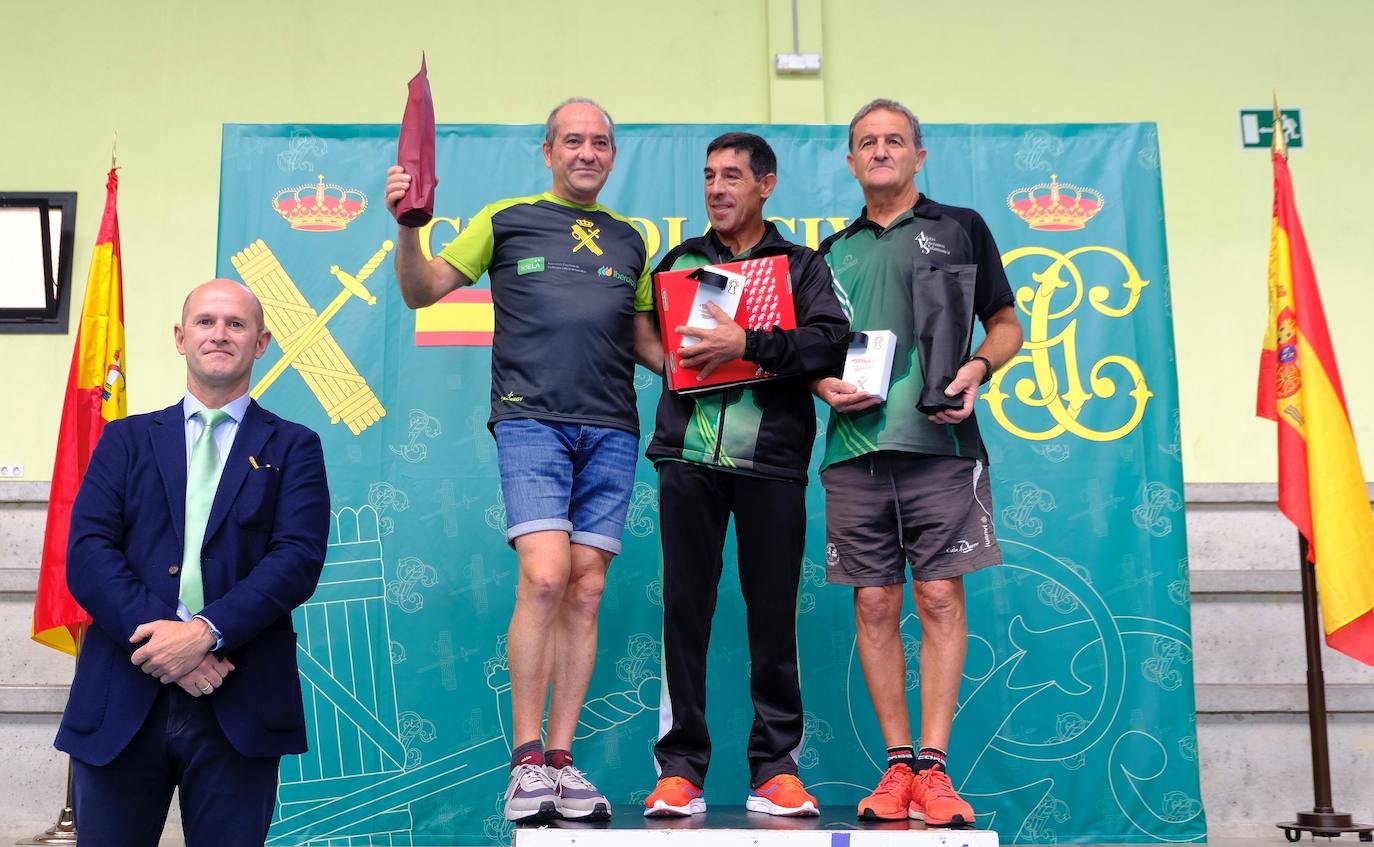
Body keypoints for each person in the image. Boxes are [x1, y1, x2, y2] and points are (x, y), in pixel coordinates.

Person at [384, 97, 658, 822]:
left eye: (600, 142)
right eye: (573, 141)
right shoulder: (505, 219)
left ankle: (562, 763)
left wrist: (725, 363)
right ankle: (525, 761)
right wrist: (407, 228)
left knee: (587, 590)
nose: (587, 152)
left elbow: (646, 342)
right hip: (531, 420)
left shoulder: (631, 239)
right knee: (544, 577)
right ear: (548, 151)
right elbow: (420, 291)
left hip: (612, 428)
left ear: (612, 154)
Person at [56, 278, 331, 846]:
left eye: (236, 324)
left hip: (240, 698)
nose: (219, 334)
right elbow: (87, 553)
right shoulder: (123, 440)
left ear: (261, 343)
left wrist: (205, 633)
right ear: (181, 338)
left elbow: (297, 559)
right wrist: (170, 645)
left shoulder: (295, 446)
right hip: (121, 695)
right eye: (206, 322)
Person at [814, 99, 1024, 826]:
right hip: (853, 451)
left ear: (919, 155)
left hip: (942, 447)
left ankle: (934, 769)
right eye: (867, 142)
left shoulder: (961, 227)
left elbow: (1006, 323)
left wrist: (978, 367)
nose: (881, 150)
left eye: (894, 140)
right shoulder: (829, 253)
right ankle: (897, 765)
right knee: (874, 603)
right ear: (851, 161)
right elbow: (813, 351)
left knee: (937, 596)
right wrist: (821, 383)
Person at [642, 132, 849, 818]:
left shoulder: (801, 264)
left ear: (766, 184)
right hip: (687, 459)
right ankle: (679, 768)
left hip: (772, 462)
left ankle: (775, 770)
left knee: (773, 615)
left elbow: (829, 341)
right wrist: (673, 360)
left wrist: (748, 344)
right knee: (684, 613)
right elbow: (648, 334)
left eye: (732, 176)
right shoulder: (680, 260)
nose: (717, 188)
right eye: (709, 176)